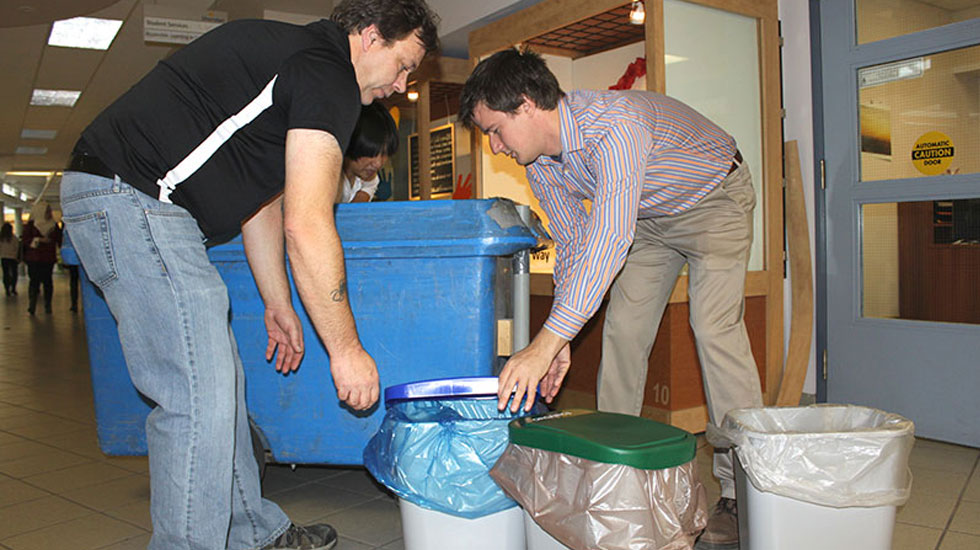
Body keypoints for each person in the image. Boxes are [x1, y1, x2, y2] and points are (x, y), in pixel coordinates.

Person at [59, 1, 439, 549]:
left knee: (216, 384)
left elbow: (263, 202)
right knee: (196, 398)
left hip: (129, 198)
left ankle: (250, 531)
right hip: (134, 197)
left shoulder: (295, 61)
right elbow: (309, 225)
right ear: (371, 37)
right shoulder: (328, 71)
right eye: (403, 66)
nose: (401, 84)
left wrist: (277, 302)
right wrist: (346, 349)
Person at [460, 48, 764, 549]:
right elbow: (579, 249)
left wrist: (541, 344)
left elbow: (608, 240)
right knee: (623, 332)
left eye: (495, 130)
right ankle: (614, 474)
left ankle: (741, 491)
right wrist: (558, 343)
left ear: (527, 103)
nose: (494, 148)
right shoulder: (541, 165)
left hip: (715, 199)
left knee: (713, 328)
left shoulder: (615, 125)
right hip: (650, 221)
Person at [338, 102, 399, 203]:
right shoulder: (324, 179)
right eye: (371, 153)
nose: (378, 164)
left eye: (384, 154)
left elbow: (370, 185)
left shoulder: (367, 178)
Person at [22, 201, 62, 315]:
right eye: (47, 211)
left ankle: (47, 305)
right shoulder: (30, 226)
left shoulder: (53, 225)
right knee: (34, 282)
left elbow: (59, 240)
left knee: (47, 282)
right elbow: (25, 241)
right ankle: (32, 304)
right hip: (33, 258)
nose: (49, 213)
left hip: (47, 258)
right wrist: (38, 240)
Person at [0, 222, 19, 296]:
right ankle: (13, 288)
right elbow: (16, 248)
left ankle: (7, 289)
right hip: (13, 258)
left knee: (6, 274)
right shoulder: (14, 238)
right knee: (14, 273)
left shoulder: (1, 238)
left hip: (4, 257)